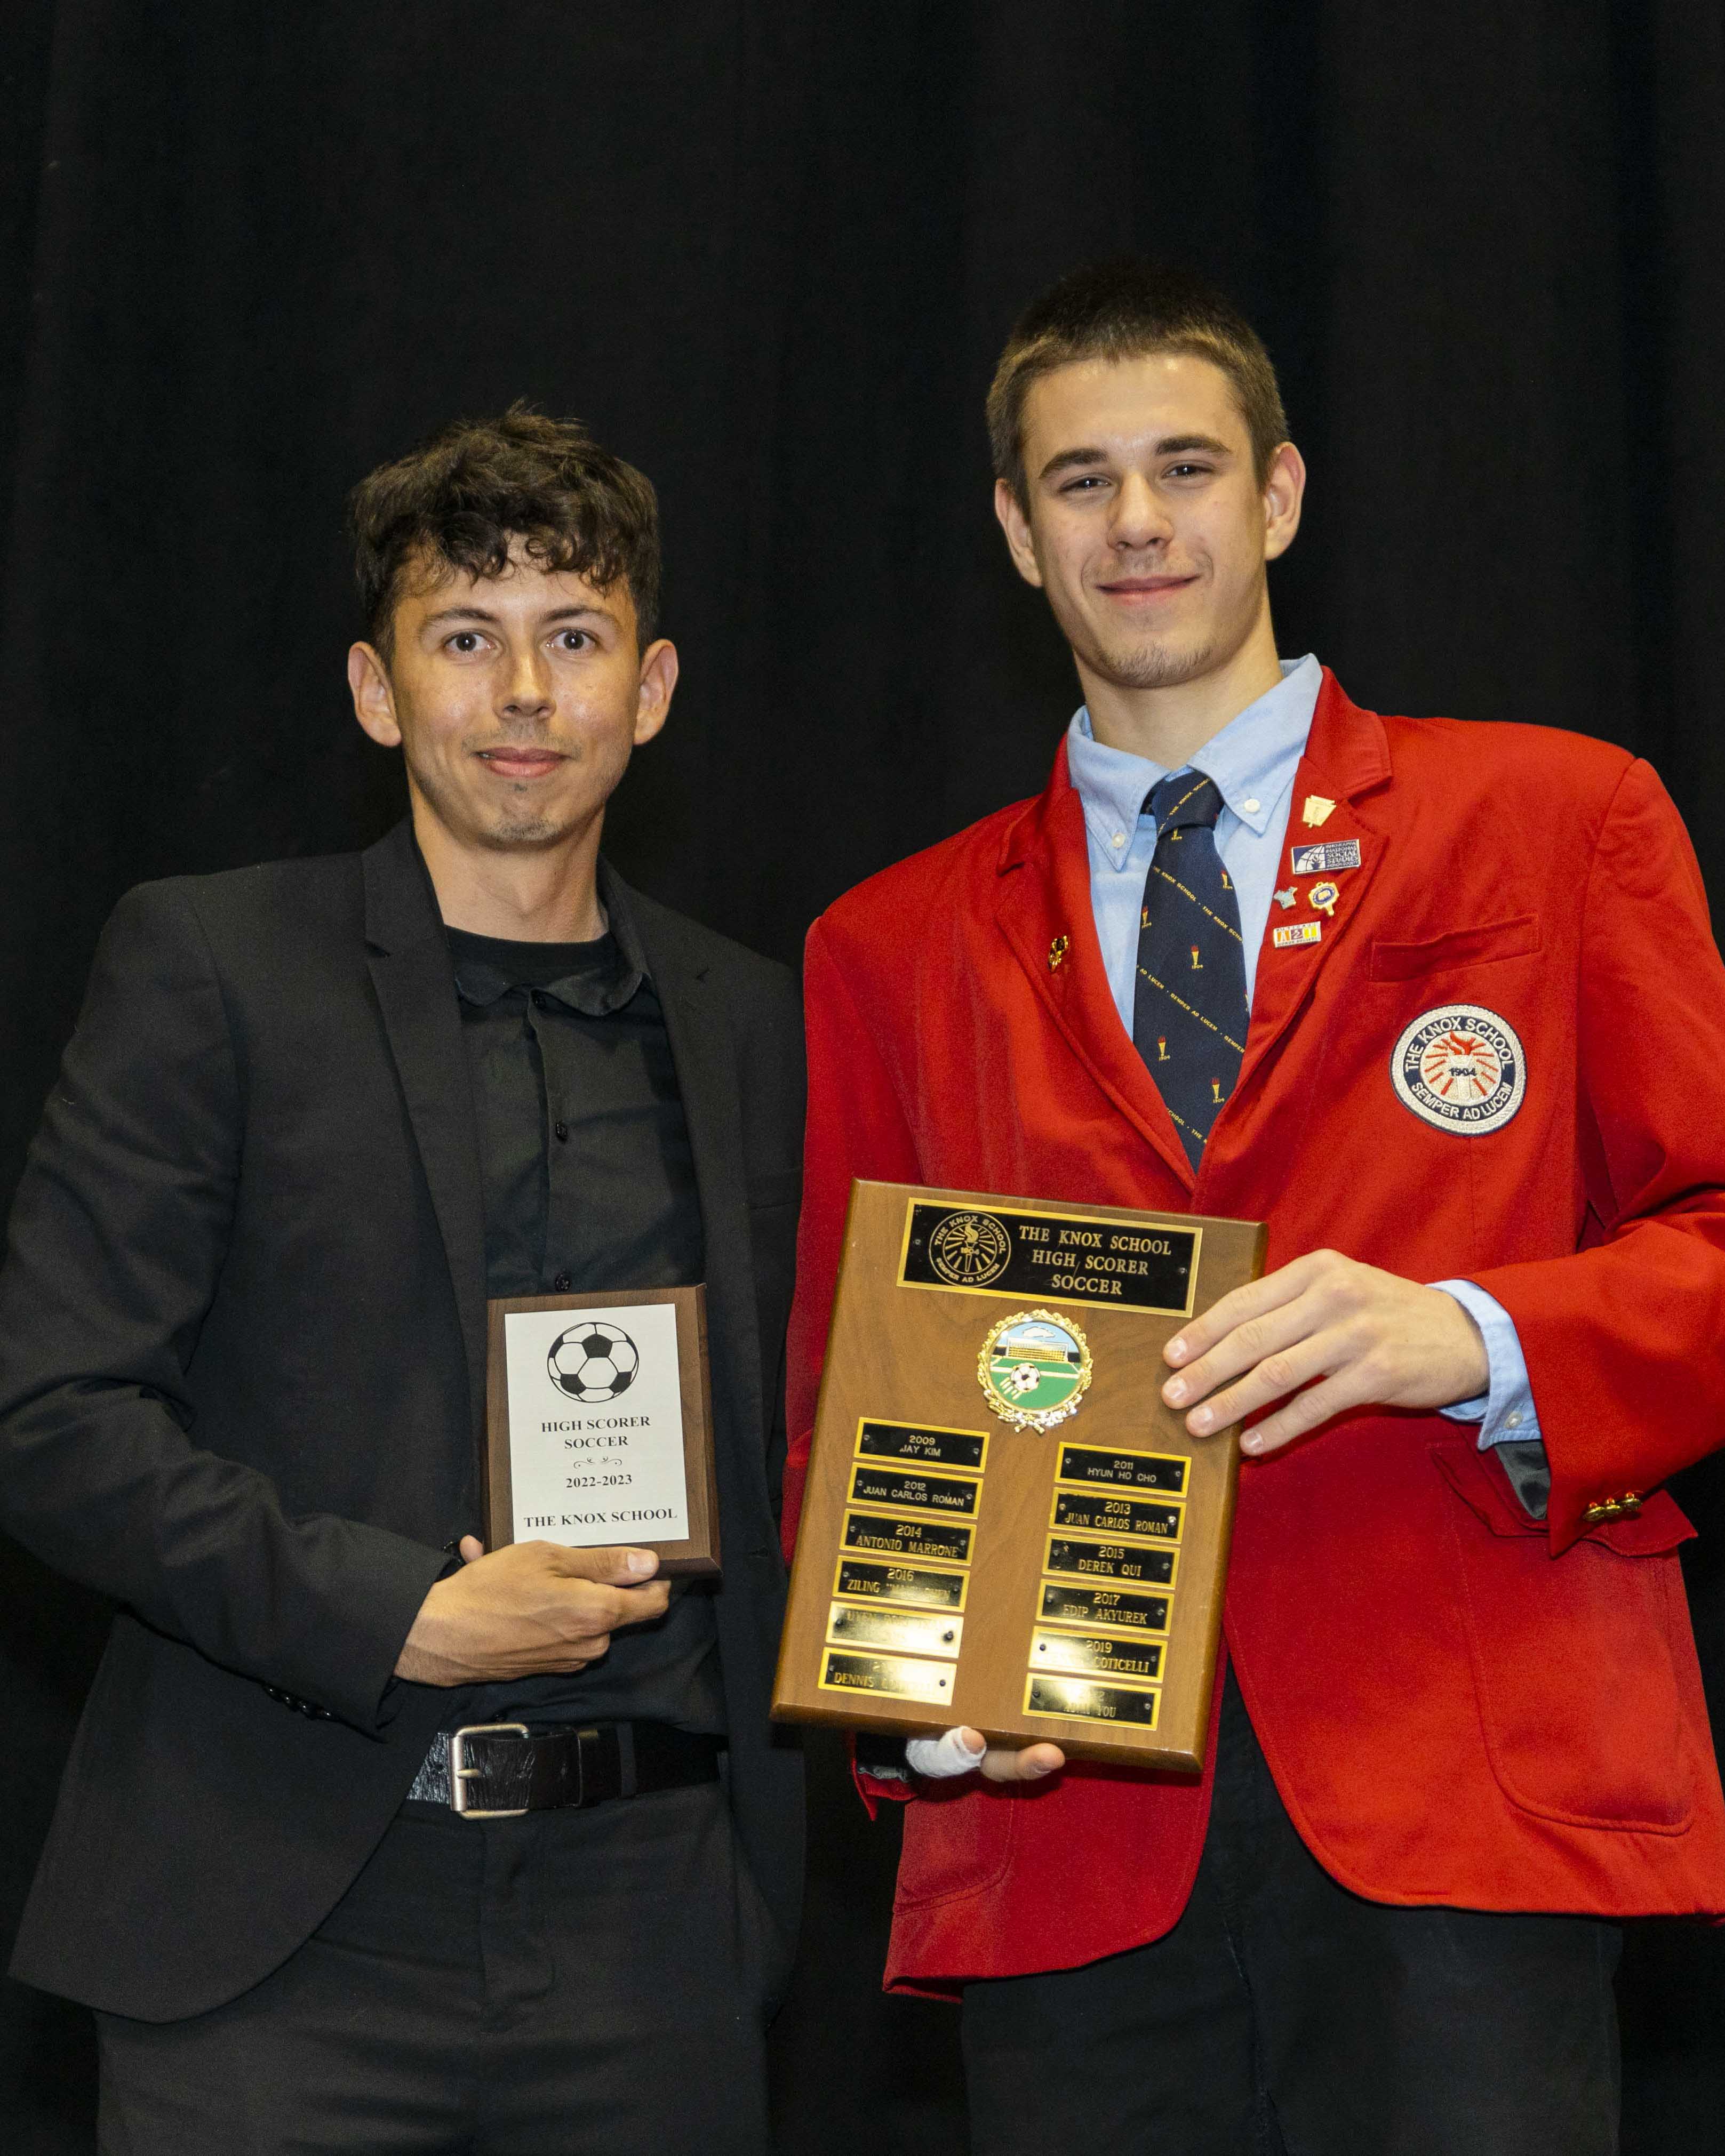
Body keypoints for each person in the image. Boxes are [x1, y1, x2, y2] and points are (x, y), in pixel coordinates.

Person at [784, 261, 1725, 2155]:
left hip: (1457, 1785)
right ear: (1012, 531)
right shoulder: (884, 945)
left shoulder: (1556, 818)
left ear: (1277, 496)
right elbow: (848, 1393)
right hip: (1069, 1835)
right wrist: (917, 1707)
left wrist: (1463, 1334)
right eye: (1079, 481)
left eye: (1184, 468)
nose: (1136, 522)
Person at [0, 407, 803, 2153]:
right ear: (377, 691)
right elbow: (50, 1416)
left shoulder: (761, 1025)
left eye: (573, 637)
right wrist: (396, 1612)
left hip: (650, 1934)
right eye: (465, 637)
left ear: (650, 689)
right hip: (281, 1927)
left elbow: (835, 1434)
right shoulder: (211, 964)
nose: (523, 692)